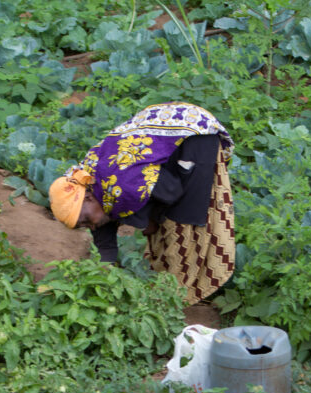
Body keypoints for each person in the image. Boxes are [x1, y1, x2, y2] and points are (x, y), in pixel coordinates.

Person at [48, 102, 235, 305]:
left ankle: (177, 297)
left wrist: (149, 221)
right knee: (157, 225)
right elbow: (104, 245)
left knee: (183, 224)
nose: (91, 227)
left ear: (88, 198)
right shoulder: (95, 191)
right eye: (84, 226)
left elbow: (173, 192)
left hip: (194, 136)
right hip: (162, 144)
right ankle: (170, 287)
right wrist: (99, 280)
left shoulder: (122, 183)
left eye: (86, 221)